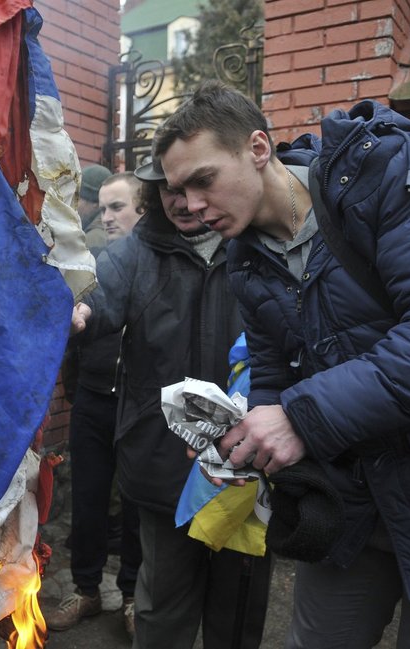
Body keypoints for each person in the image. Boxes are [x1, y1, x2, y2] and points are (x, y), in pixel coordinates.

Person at [155, 80, 410, 648]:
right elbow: (274, 373)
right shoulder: (245, 257)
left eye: (204, 179)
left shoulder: (387, 172)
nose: (191, 205)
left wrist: (298, 419)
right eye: (179, 189)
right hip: (352, 504)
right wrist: (248, 437)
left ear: (257, 148)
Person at [67, 162, 271, 649]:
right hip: (163, 463)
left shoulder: (261, 246)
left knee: (238, 609)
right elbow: (98, 297)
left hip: (248, 459)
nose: (181, 201)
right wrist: (76, 310)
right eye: (166, 190)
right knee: (162, 609)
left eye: (195, 186)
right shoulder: (133, 254)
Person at [45, 171, 143, 638]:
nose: (106, 217)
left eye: (117, 207)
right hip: (93, 399)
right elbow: (77, 324)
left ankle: (131, 596)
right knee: (86, 499)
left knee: (137, 504)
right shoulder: (93, 262)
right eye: (102, 208)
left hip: (140, 404)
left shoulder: (154, 261)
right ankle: (85, 590)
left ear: (143, 208)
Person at [76, 164, 111, 256]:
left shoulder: (94, 240)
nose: (73, 204)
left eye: (78, 198)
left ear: (96, 203)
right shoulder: (105, 231)